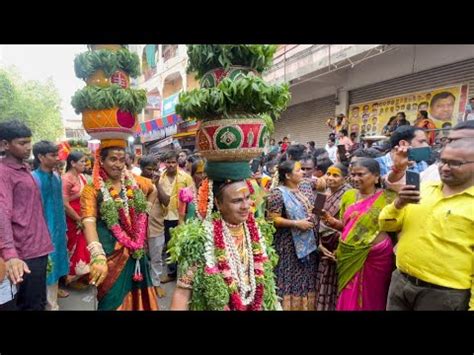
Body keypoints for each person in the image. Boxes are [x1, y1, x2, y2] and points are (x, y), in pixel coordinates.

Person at [379, 139, 474, 310]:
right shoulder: (424, 188)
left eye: (455, 163)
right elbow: (386, 225)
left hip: (444, 294)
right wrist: (398, 204)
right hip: (401, 282)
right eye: (442, 161)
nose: (445, 167)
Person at [80, 145, 159, 310]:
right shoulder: (92, 189)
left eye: (122, 160)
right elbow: (88, 221)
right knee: (110, 300)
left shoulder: (134, 182)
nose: (118, 164)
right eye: (113, 159)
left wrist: (145, 211)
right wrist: (97, 254)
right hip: (110, 254)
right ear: (101, 160)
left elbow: (153, 189)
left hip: (136, 251)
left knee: (139, 297)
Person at [318, 158, 396, 310]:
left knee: (372, 296)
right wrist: (331, 221)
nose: (355, 178)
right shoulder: (349, 195)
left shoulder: (388, 198)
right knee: (348, 295)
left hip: (376, 257)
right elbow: (347, 226)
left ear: (376, 176)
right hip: (349, 254)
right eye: (353, 175)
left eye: (360, 174)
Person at [0, 121, 54, 311]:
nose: (28, 147)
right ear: (5, 145)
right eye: (22, 143)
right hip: (23, 254)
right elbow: (2, 213)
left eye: (29, 142)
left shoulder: (25, 170)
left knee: (38, 301)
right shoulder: (4, 173)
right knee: (28, 305)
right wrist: (10, 254)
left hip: (38, 249)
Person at [266, 160, 318, 310]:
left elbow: (320, 190)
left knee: (305, 280)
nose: (303, 172)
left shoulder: (304, 187)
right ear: (288, 175)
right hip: (289, 246)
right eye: (298, 170)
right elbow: (272, 219)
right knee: (289, 279)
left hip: (309, 244)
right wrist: (296, 224)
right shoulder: (278, 193)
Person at [31, 141, 69, 311]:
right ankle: (50, 305)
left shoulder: (56, 177)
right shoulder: (33, 179)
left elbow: (60, 204)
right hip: (42, 232)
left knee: (57, 263)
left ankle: (53, 295)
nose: (57, 158)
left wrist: (64, 229)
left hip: (59, 229)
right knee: (48, 265)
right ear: (40, 157)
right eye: (53, 155)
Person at [315, 163, 351, 310]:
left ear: (345, 178)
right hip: (322, 249)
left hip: (338, 250)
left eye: (335, 175)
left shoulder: (350, 196)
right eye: (328, 174)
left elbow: (349, 226)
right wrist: (319, 244)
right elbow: (315, 220)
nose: (330, 178)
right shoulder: (322, 193)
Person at [158, 150, 194, 283]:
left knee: (183, 245)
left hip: (181, 216)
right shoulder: (160, 177)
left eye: (173, 162)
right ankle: (172, 273)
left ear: (177, 162)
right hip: (165, 216)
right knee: (169, 245)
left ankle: (185, 273)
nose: (171, 165)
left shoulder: (185, 177)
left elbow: (192, 198)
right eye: (168, 162)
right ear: (165, 163)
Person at [62, 151, 90, 289]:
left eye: (85, 162)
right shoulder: (66, 179)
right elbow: (64, 203)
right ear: (72, 163)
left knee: (85, 246)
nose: (85, 164)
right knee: (73, 246)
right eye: (82, 162)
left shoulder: (82, 177)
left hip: (83, 215)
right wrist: (78, 218)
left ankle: (82, 275)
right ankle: (70, 278)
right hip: (72, 218)